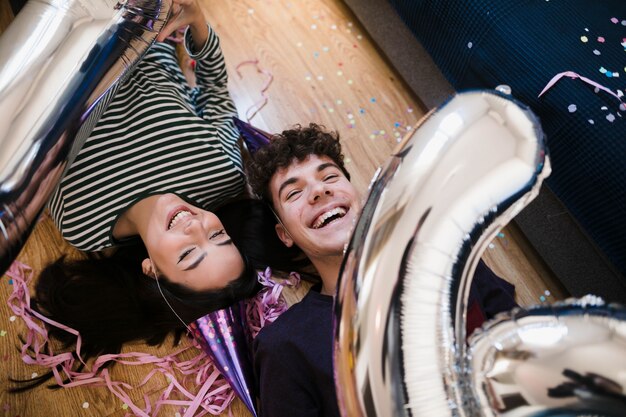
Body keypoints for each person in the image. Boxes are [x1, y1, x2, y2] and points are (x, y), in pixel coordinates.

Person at [29, 0, 307, 366]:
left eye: (188, 253)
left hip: (55, 44)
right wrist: (199, 23)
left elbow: (45, 136)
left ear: (151, 270)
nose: (196, 226)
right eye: (218, 236)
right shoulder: (220, 173)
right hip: (143, 15)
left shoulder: (83, 222)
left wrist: (117, 55)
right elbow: (217, 96)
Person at [246, 124, 517, 417]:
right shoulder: (285, 347)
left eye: (330, 177)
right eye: (294, 193)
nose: (319, 191)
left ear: (359, 197)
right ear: (284, 233)